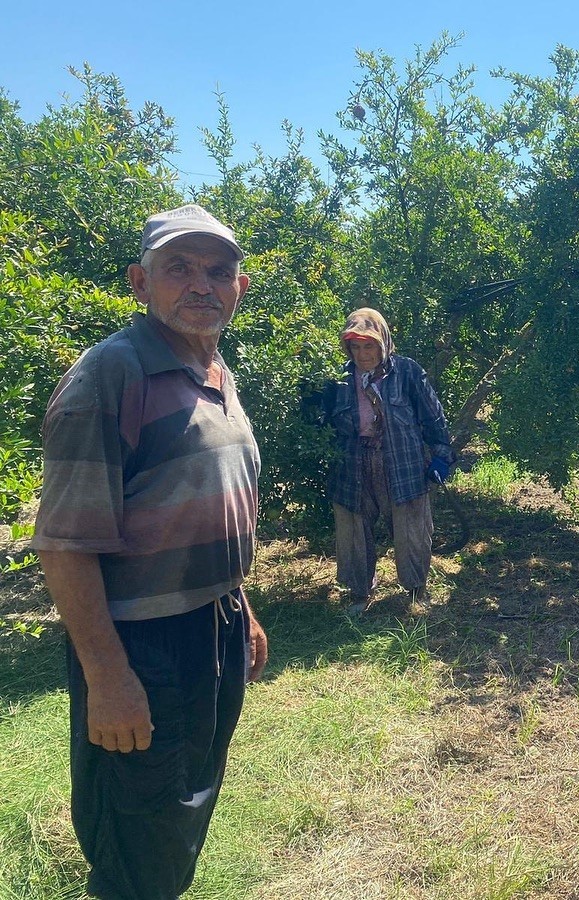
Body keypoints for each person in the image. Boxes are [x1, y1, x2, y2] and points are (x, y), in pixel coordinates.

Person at [32, 204, 268, 899]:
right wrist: (107, 676)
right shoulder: (112, 375)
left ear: (240, 289)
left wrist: (240, 605)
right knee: (140, 835)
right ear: (141, 282)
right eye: (179, 268)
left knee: (183, 811)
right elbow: (65, 543)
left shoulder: (213, 367)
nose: (202, 285)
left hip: (212, 626)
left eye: (218, 272)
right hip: (141, 643)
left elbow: (209, 504)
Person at [323, 308, 454, 613]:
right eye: (355, 346)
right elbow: (323, 426)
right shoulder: (339, 379)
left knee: (412, 529)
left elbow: (434, 418)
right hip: (353, 464)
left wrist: (442, 457)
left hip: (403, 462)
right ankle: (359, 592)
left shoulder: (407, 372)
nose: (363, 354)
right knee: (352, 528)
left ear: (383, 344)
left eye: (369, 346)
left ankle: (415, 589)